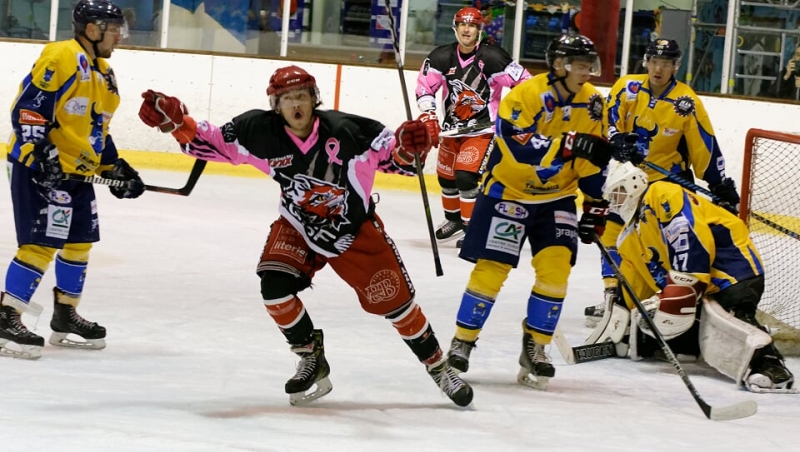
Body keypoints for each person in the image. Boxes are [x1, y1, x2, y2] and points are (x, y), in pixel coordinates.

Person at [137, 65, 473, 407]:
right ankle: (310, 355)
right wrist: (176, 123)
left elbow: (396, 159)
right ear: (276, 105)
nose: (295, 104)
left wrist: (410, 145)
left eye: (301, 96)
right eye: (287, 99)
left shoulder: (348, 131)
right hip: (298, 225)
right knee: (274, 286)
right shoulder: (258, 131)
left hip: (352, 230)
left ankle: (439, 368)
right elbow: (212, 142)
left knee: (398, 307)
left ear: (314, 99)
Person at [445, 35, 613, 390]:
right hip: (509, 193)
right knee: (492, 269)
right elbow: (515, 144)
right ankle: (463, 340)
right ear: (559, 65)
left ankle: (536, 345)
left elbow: (594, 158)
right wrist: (567, 144)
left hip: (558, 198)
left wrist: (595, 203)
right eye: (580, 65)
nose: (587, 72)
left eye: (589, 65)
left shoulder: (594, 103)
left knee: (556, 270)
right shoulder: (526, 94)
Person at [0, 0, 145, 361]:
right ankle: (6, 317)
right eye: (114, 30)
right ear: (92, 29)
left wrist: (114, 168)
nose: (119, 37)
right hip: (39, 169)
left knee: (79, 242)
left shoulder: (105, 74)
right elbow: (28, 109)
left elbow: (97, 129)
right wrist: (42, 154)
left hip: (76, 174)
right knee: (40, 244)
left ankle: (65, 314)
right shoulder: (62, 56)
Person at [585, 39, 741, 326]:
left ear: (675, 67)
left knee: (653, 242)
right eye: (655, 62)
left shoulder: (686, 102)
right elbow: (607, 120)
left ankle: (663, 296)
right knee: (612, 234)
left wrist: (719, 184)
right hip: (624, 178)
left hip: (664, 185)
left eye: (666, 63)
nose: (659, 69)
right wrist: (617, 141)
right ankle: (613, 296)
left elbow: (703, 145)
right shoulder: (627, 87)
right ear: (646, 62)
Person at [602, 162, 794, 393]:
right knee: (670, 326)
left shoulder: (661, 193)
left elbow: (689, 233)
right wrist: (627, 320)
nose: (615, 202)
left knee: (731, 321)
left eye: (618, 193)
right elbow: (637, 285)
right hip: (695, 283)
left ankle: (771, 368)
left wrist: (685, 284)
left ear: (634, 184)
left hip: (730, 266)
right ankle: (689, 346)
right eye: (612, 197)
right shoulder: (628, 237)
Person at [415, 6, 531, 245]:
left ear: (479, 29)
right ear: (455, 27)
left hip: (482, 130)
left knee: (465, 177)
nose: (466, 29)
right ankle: (455, 220)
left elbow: (525, 82)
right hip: (452, 129)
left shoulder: (493, 57)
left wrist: (516, 114)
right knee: (446, 179)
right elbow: (424, 87)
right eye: (462, 24)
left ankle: (473, 228)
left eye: (472, 25)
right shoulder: (440, 57)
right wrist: (428, 114)